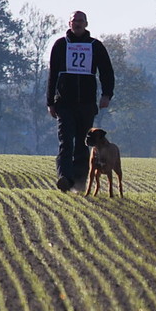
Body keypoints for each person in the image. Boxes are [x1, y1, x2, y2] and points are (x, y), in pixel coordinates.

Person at [47, 11, 115, 192]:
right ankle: (64, 179)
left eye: (80, 21)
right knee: (65, 143)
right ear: (69, 23)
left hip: (86, 105)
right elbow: (52, 75)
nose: (77, 23)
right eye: (74, 21)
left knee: (83, 145)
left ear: (86, 23)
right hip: (64, 104)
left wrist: (107, 95)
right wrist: (50, 102)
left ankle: (79, 183)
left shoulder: (95, 46)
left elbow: (107, 71)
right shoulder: (60, 45)